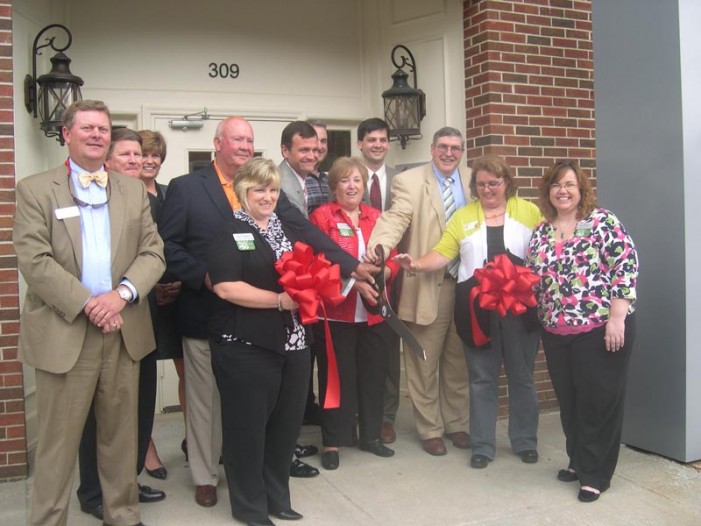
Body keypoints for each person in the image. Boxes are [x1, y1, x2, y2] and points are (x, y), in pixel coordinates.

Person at [158, 116, 379, 506]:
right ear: (217, 142)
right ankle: (206, 476)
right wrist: (207, 278)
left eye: (249, 140)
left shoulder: (276, 204)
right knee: (207, 402)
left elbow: (310, 236)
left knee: (266, 410)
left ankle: (269, 483)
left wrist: (351, 267)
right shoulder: (187, 188)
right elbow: (170, 245)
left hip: (272, 329)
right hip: (209, 313)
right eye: (236, 139)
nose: (243, 146)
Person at [13, 100, 165, 526]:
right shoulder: (35, 188)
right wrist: (89, 304)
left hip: (123, 330)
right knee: (57, 445)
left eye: (103, 129)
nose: (97, 135)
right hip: (67, 331)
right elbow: (34, 259)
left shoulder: (132, 189)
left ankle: (122, 514)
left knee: (121, 437)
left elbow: (153, 252)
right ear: (67, 134)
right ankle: (47, 520)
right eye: (87, 128)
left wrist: (121, 295)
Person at [394, 155, 543, 469]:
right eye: (481, 184)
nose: (488, 189)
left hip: (521, 309)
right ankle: (483, 446)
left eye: (494, 183)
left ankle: (525, 441)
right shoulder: (463, 216)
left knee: (522, 377)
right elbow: (444, 251)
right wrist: (417, 264)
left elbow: (547, 249)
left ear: (507, 183)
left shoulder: (528, 211)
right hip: (477, 310)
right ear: (474, 187)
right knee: (480, 379)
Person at [526, 160, 639, 503]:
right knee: (570, 401)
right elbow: (532, 279)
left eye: (570, 185)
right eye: (557, 185)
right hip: (557, 332)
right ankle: (578, 459)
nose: (563, 191)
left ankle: (596, 474)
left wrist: (617, 317)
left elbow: (626, 265)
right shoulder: (542, 232)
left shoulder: (602, 222)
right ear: (548, 192)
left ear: (581, 189)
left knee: (598, 401)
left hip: (600, 328)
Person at [207, 157, 310, 526]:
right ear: (242, 191)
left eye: (272, 189)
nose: (267, 196)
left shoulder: (286, 228)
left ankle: (277, 498)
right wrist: (279, 301)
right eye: (259, 190)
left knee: (284, 429)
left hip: (294, 344)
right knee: (247, 431)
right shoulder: (228, 230)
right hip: (247, 347)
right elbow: (225, 286)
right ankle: (250, 507)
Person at [76, 130, 166, 522]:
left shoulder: (145, 201)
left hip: (138, 320)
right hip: (93, 321)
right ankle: (93, 491)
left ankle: (125, 485)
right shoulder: (93, 197)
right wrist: (103, 303)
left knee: (138, 409)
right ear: (107, 162)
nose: (134, 160)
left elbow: (154, 253)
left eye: (138, 154)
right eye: (126, 154)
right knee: (97, 415)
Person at [368, 127, 471, 457]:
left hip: (467, 286)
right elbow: (395, 218)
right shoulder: (410, 181)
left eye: (455, 148)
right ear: (431, 148)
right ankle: (429, 428)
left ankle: (457, 424)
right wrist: (379, 247)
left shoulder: (473, 180)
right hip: (428, 284)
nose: (449, 153)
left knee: (458, 362)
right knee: (423, 361)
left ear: (462, 151)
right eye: (443, 146)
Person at [310, 157, 398, 470]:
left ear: (364, 185)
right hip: (336, 313)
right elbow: (318, 261)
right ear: (334, 187)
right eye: (345, 181)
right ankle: (333, 441)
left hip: (374, 313)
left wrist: (385, 272)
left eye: (357, 180)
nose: (351, 186)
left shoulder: (378, 217)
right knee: (336, 378)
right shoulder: (321, 217)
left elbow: (394, 257)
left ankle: (371, 436)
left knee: (374, 376)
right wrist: (354, 281)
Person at [137, 129, 184, 480]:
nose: (150, 161)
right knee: (144, 380)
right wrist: (151, 288)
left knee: (189, 373)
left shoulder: (171, 193)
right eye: (143, 154)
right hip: (142, 298)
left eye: (155, 155)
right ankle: (146, 447)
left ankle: (194, 440)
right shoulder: (123, 194)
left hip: (179, 296)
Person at [357, 117, 402, 444]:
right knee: (357, 348)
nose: (377, 144)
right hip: (352, 275)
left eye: (382, 140)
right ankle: (359, 412)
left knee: (388, 348)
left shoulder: (403, 181)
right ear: (360, 143)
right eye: (371, 139)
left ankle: (386, 416)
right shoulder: (348, 177)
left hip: (393, 276)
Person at [279, 121, 320, 218]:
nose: (311, 156)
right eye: (304, 150)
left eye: (315, 150)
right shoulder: (281, 186)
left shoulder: (301, 179)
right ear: (285, 151)